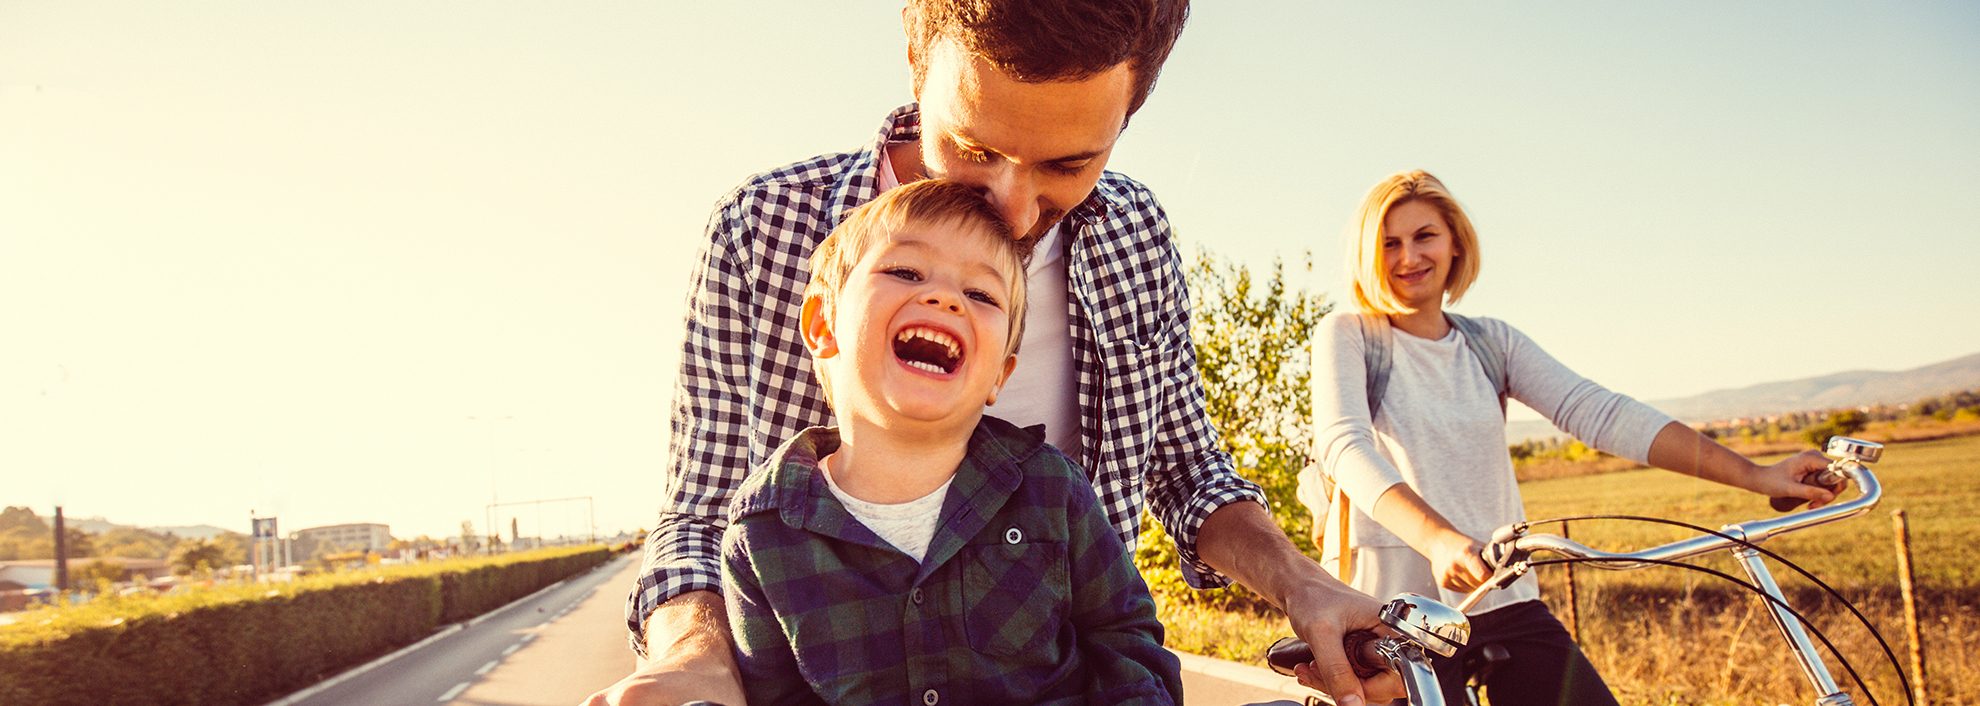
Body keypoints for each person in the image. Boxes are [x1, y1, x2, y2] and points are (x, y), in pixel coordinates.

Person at [585, 3, 1404, 705]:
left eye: (1068, 163)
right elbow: (702, 509)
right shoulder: (762, 231)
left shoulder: (1134, 237)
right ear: (916, 58)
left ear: (1126, 116)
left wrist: (1307, 586)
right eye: (975, 147)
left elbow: (1188, 473)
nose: (1013, 208)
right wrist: (693, 658)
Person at [1303, 169, 1840, 705]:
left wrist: (1755, 474)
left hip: (1501, 594)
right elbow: (1344, 445)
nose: (1407, 257)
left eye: (1425, 236)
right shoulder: (1350, 337)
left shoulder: (1492, 343)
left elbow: (1600, 413)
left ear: (1455, 244)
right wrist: (1437, 539)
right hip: (1395, 612)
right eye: (1389, 243)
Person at [721, 179, 1182, 705]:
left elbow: (1126, 640)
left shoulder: (1052, 490)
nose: (944, 298)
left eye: (981, 295)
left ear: (999, 377)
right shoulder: (763, 535)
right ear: (824, 324)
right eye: (905, 272)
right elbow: (774, 696)